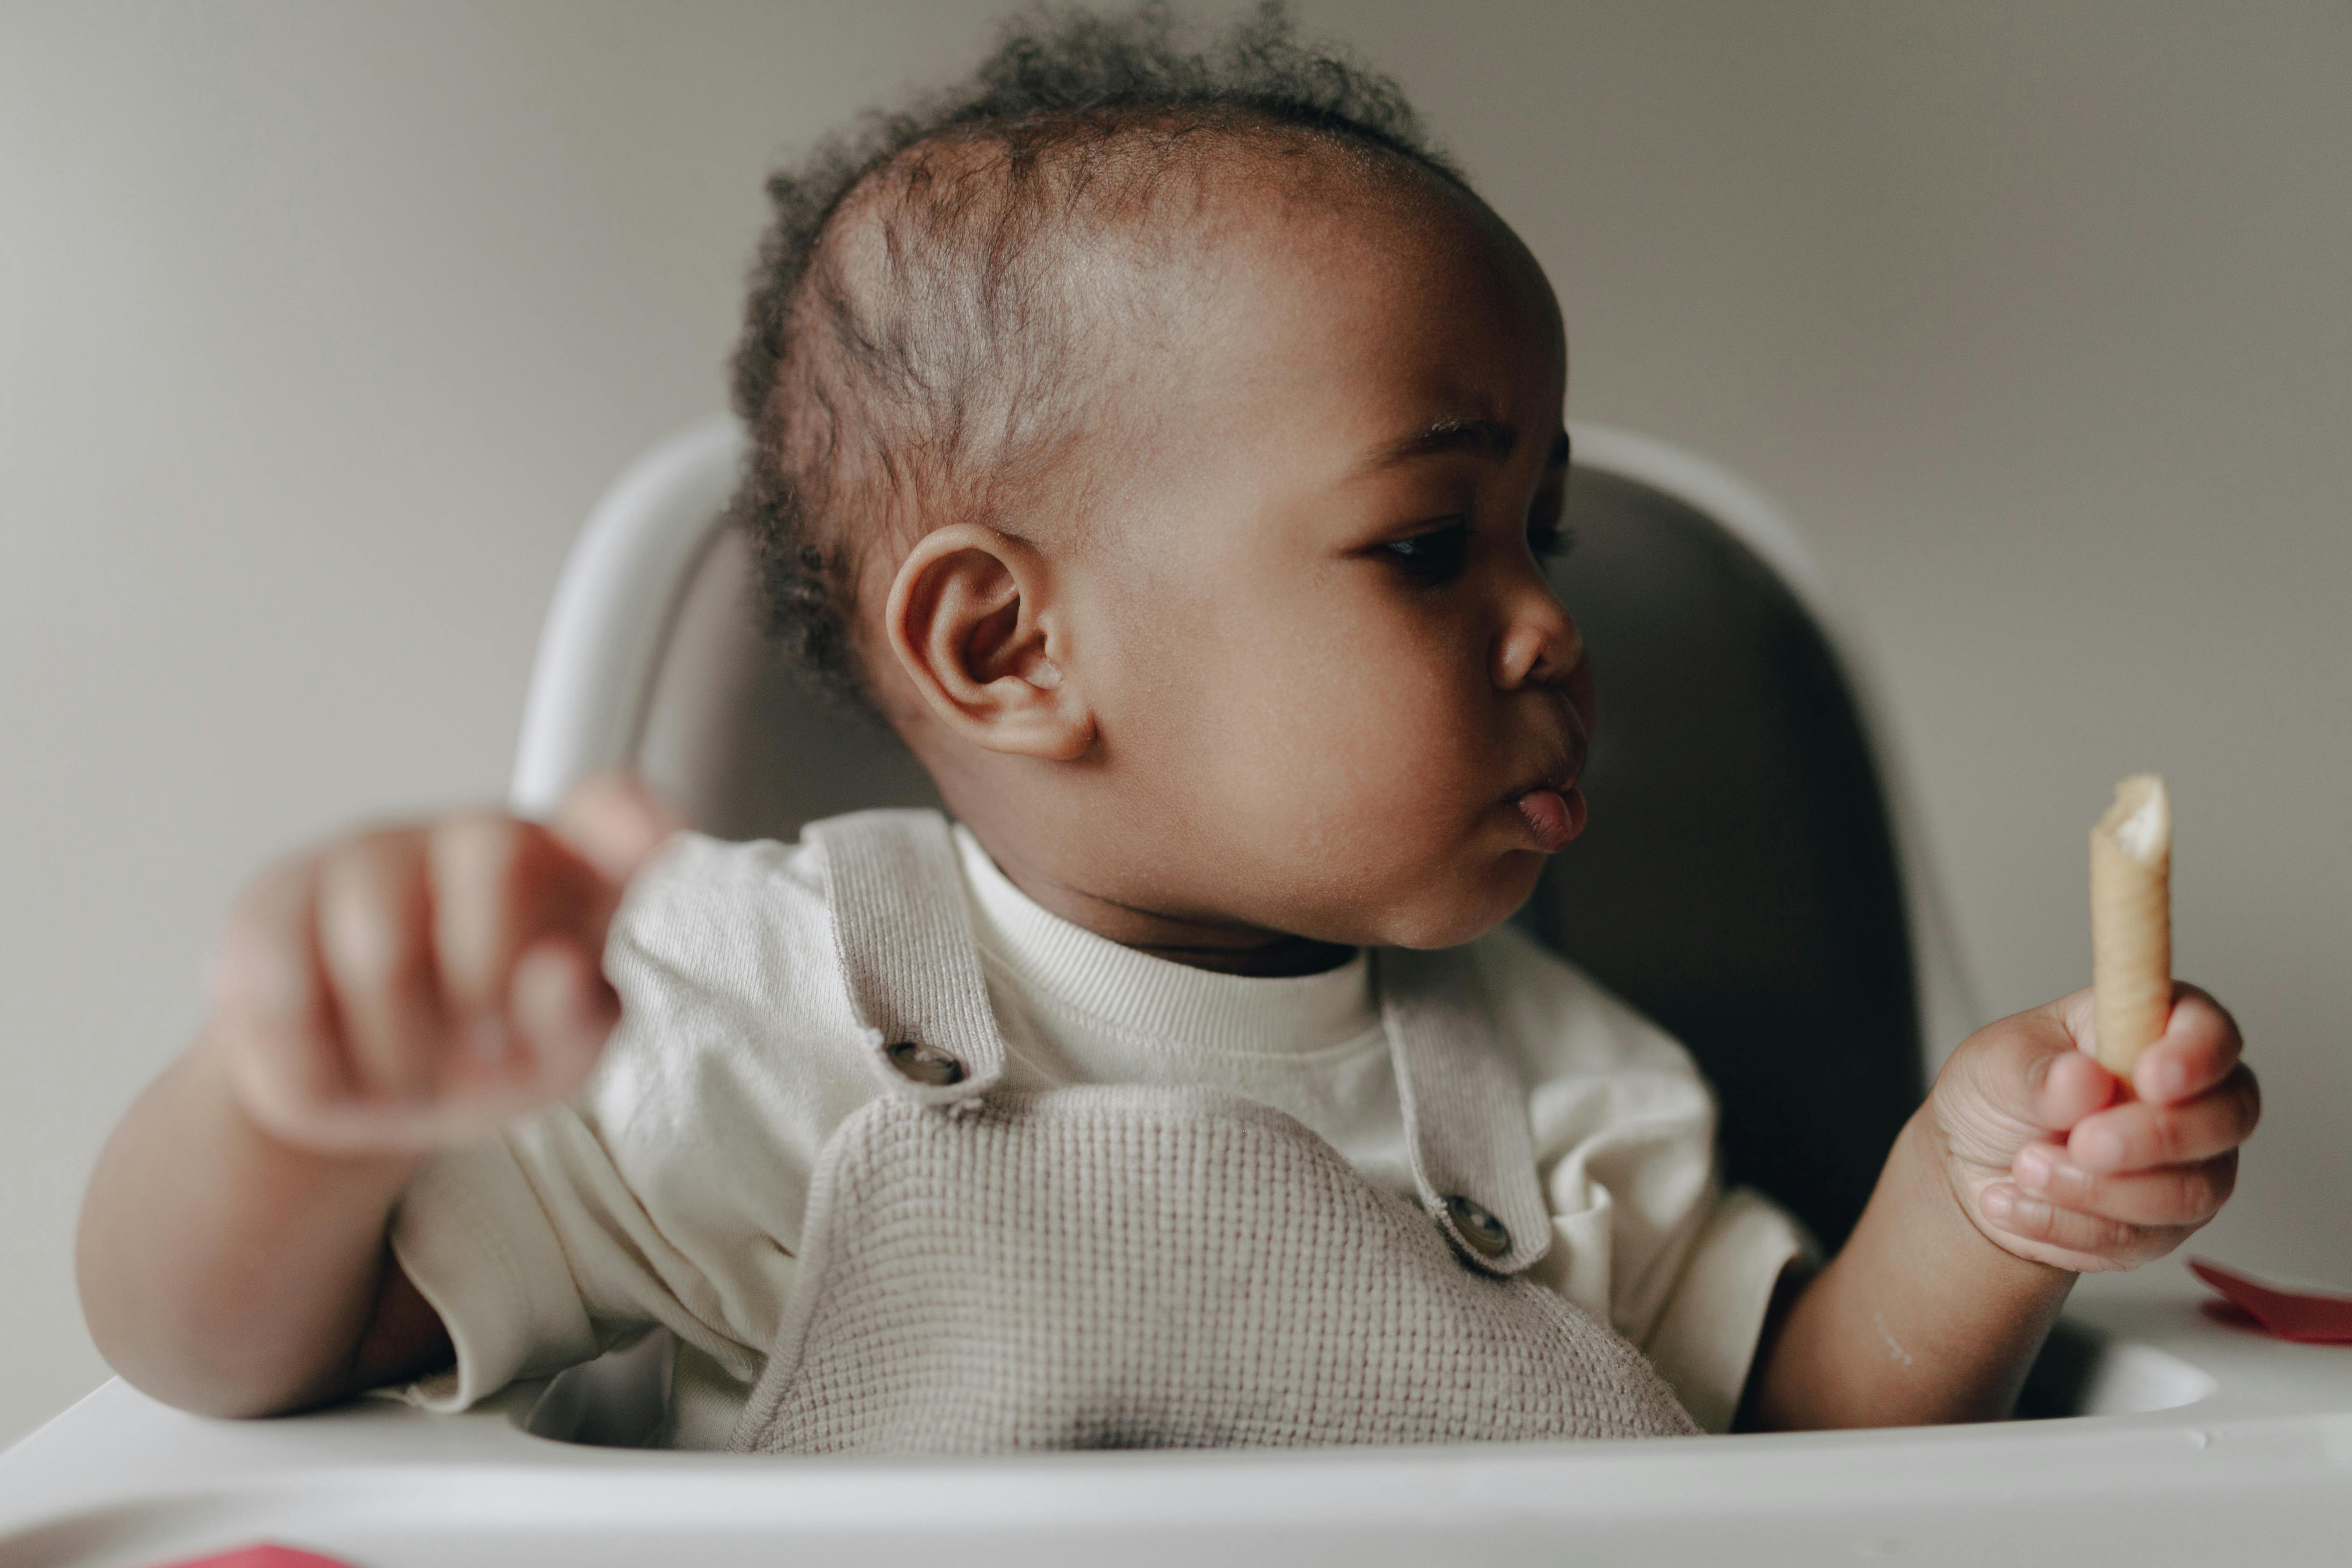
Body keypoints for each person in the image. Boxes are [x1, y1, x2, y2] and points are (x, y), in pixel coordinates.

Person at [77, 3, 2259, 1451]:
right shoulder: (755, 1013)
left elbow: (1809, 1457)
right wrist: (303, 1112)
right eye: (1431, 548)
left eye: (1545, 540)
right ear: (1007, 646)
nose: (1547, 632)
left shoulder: (1562, 1087)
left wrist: (1984, 1211)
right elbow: (212, 1354)